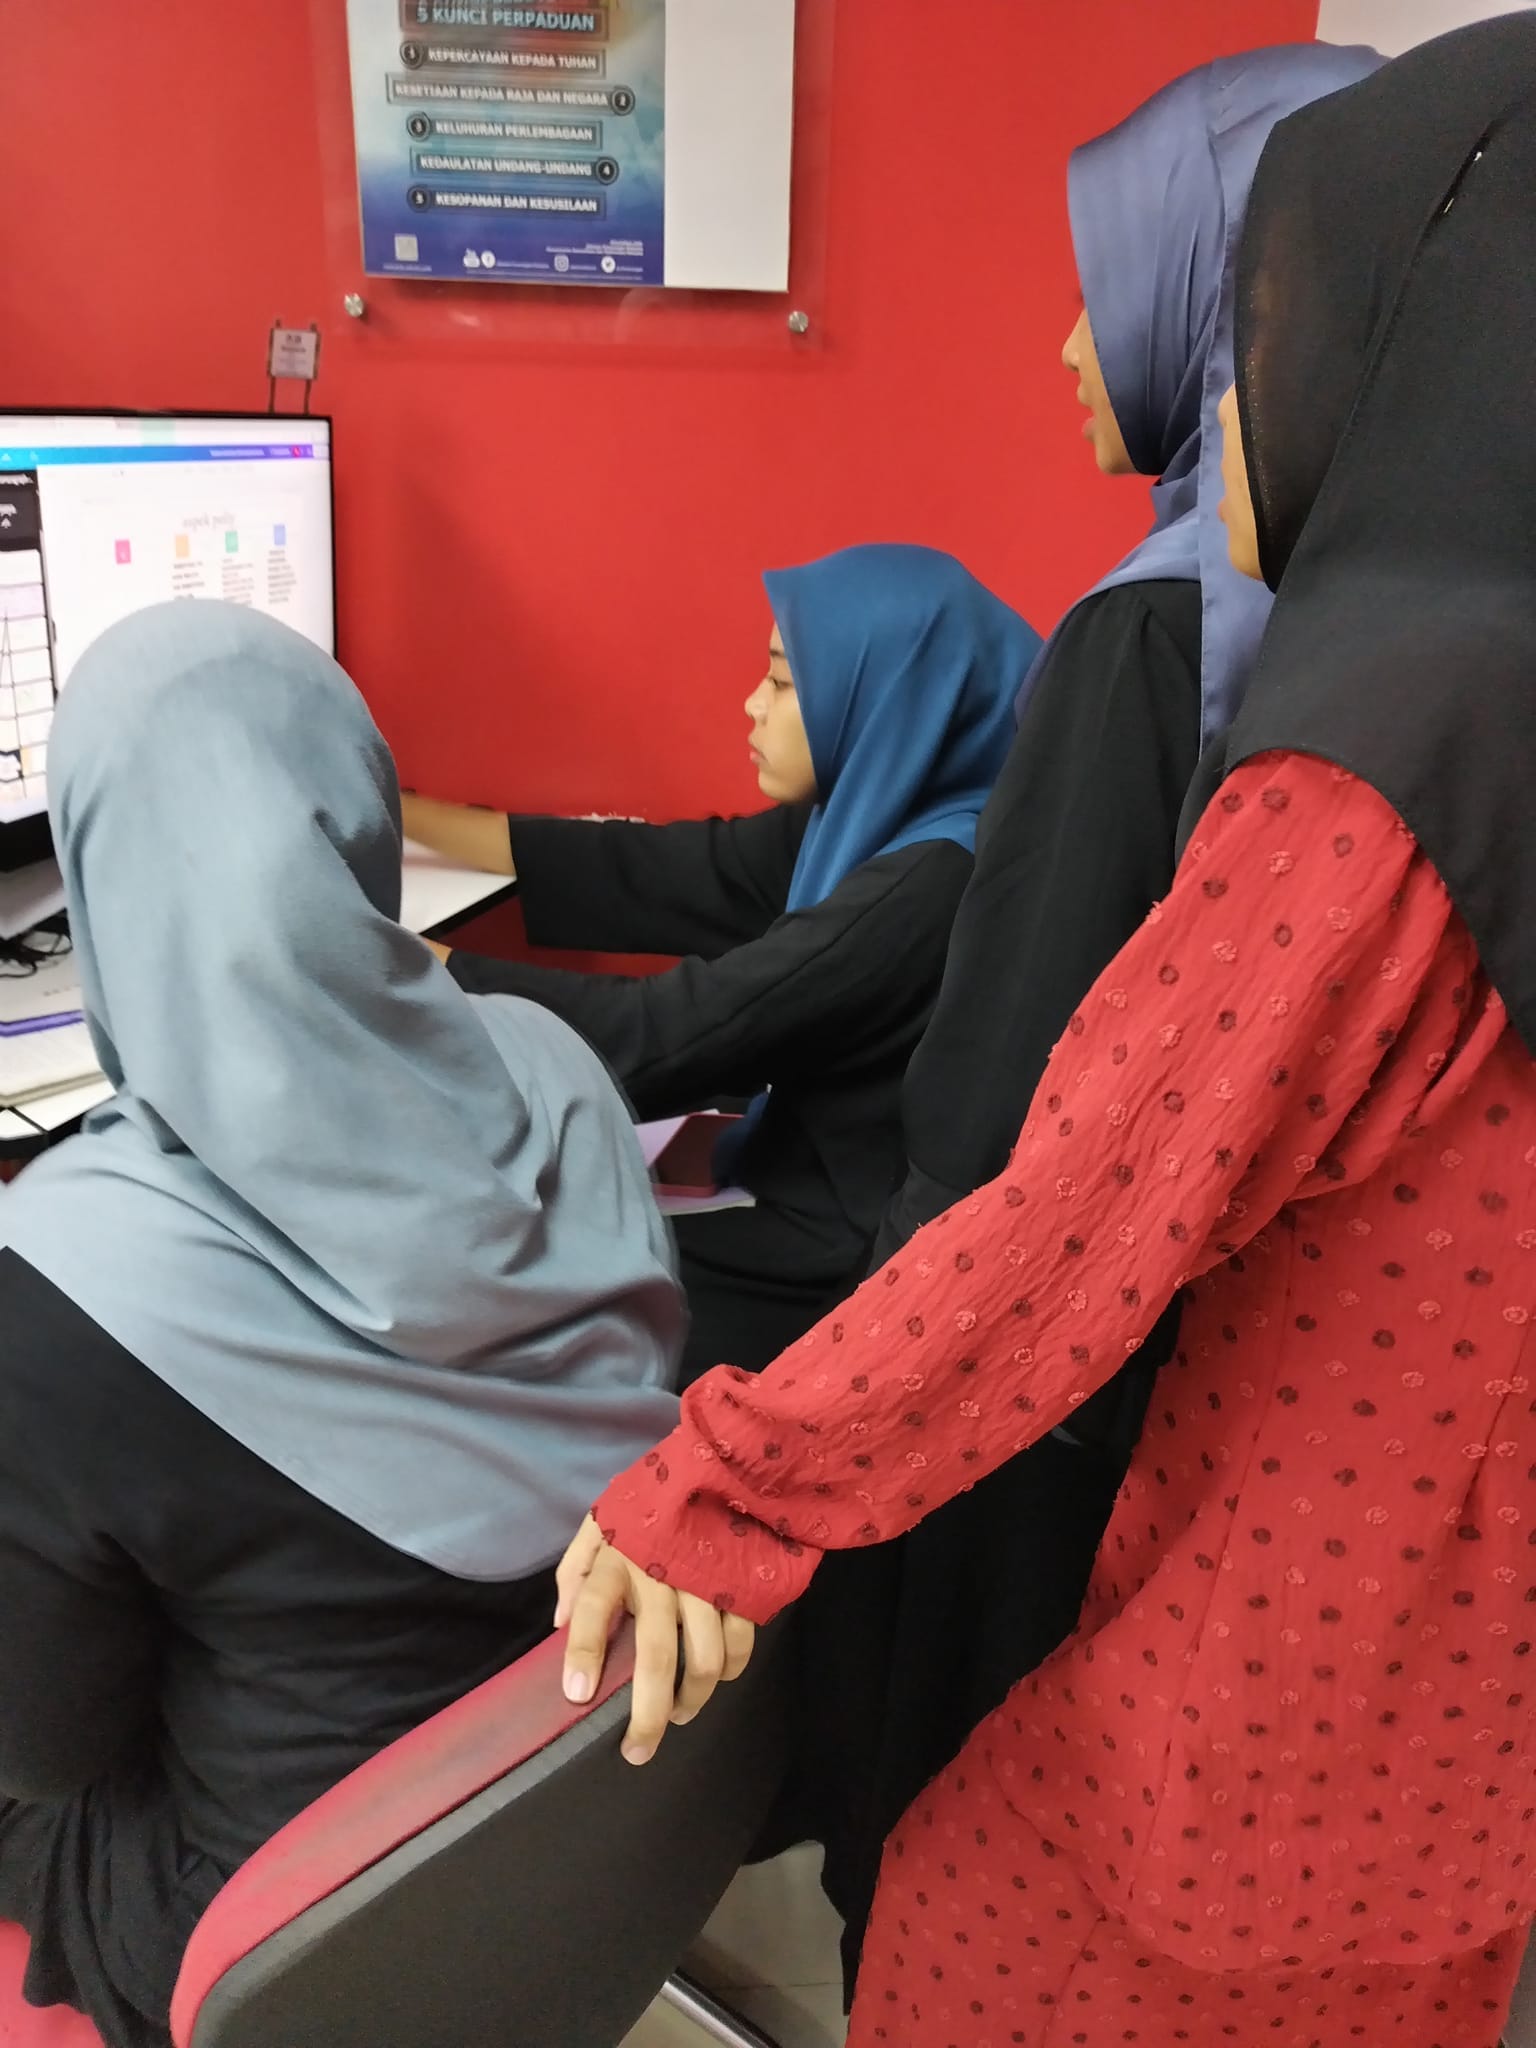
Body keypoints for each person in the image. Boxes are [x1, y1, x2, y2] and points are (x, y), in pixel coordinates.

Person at [557, 17, 1536, 2046]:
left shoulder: (1374, 760)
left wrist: (726, 1484)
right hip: (1471, 1742)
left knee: (954, 1926)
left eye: (1271, 325)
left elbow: (1073, 1202)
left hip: (1258, 1711)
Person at [779, 40, 1383, 1986]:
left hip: (1025, 1377)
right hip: (1226, 1411)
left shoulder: (1147, 631)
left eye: (1106, 279)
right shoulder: (1360, 599)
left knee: (942, 1821)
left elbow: (999, 1090)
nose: (1064, 342)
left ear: (1240, 288)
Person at [0, 603, 684, 2048]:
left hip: (266, 1932)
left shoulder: (62, 1281)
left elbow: (49, 1750)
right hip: (552, 1818)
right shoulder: (559, 1069)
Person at [403, 544, 1039, 1381]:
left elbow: (671, 1034)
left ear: (887, 696)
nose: (752, 704)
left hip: (830, 1260)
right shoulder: (882, 816)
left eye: (781, 682)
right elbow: (652, 872)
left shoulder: (924, 885)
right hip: (792, 1175)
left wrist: (413, 964)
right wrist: (397, 809)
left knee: (477, 1295)